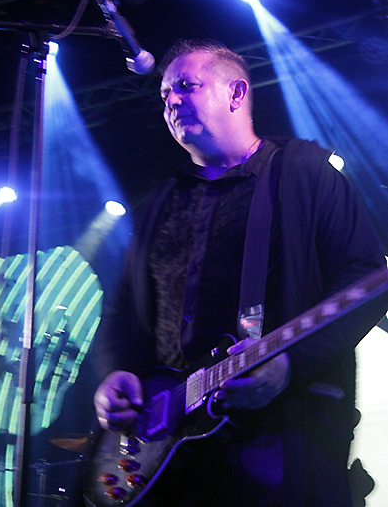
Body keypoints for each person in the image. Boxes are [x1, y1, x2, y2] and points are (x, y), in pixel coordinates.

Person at [91, 39, 387, 507]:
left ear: (236, 92)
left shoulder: (306, 174)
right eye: (165, 95)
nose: (171, 102)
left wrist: (291, 364)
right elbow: (122, 312)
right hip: (169, 452)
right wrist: (115, 373)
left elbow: (367, 280)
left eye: (186, 86)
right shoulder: (159, 203)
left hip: (283, 434)